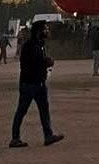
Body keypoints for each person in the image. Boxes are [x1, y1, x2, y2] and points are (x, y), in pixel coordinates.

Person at [9, 20, 62, 148]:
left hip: (39, 83)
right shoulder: (30, 46)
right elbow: (29, 64)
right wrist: (45, 62)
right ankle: (15, 138)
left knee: (44, 110)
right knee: (22, 110)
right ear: (39, 31)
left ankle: (48, 135)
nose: (48, 31)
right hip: (30, 84)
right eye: (45, 29)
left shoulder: (39, 44)